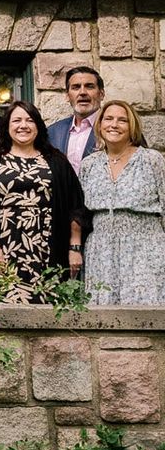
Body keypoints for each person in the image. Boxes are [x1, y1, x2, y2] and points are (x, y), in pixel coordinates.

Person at [0, 102, 86, 301]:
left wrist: (74, 247)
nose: (23, 125)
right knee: (3, 309)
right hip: (3, 249)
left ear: (38, 126)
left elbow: (75, 206)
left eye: (29, 120)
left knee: (49, 308)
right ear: (7, 127)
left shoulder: (57, 161)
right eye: (16, 120)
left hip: (48, 249)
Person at [79, 99, 165, 306]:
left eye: (122, 120)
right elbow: (81, 212)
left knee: (147, 310)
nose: (114, 125)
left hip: (145, 247)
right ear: (100, 125)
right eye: (108, 119)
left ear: (132, 126)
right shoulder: (88, 164)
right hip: (102, 250)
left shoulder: (152, 160)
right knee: (103, 313)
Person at [49, 65, 104, 166]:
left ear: (101, 94)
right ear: (67, 96)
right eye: (76, 87)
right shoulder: (53, 132)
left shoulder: (116, 129)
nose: (82, 92)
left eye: (89, 86)